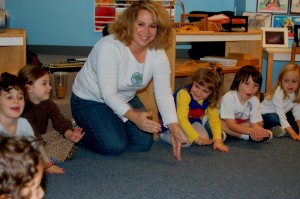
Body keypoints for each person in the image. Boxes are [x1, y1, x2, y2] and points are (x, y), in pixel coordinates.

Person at [70, 0, 185, 161]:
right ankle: (74, 133)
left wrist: (173, 126)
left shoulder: (157, 52)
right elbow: (108, 94)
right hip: (89, 99)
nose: (146, 31)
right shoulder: (110, 47)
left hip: (125, 97)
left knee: (143, 143)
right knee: (113, 146)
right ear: (129, 23)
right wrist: (133, 116)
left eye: (153, 26)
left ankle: (111, 123)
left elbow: (164, 93)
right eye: (140, 24)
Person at [18, 65, 85, 164]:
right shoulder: (22, 108)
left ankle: (44, 159)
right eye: (44, 84)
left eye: (49, 83)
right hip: (26, 142)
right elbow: (32, 136)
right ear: (29, 87)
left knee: (62, 139)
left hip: (41, 139)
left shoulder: (48, 103)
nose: (50, 87)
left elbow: (60, 122)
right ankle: (43, 161)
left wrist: (70, 135)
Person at [0, 72, 63, 174]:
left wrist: (46, 162)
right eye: (9, 97)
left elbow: (35, 144)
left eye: (20, 97)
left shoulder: (23, 123)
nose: (16, 101)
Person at [160, 64, 229, 152]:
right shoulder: (184, 94)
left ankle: (188, 134)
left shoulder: (210, 100)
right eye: (196, 86)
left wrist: (218, 140)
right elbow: (181, 118)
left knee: (204, 137)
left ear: (212, 93)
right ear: (193, 82)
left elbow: (214, 120)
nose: (198, 92)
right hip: (172, 122)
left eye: (205, 91)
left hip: (191, 120)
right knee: (186, 142)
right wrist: (196, 138)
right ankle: (164, 134)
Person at [220, 65, 273, 142]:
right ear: (237, 83)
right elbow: (231, 125)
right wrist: (251, 132)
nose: (251, 89)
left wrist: (257, 130)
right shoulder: (229, 97)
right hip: (227, 122)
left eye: (255, 85)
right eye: (247, 83)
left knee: (260, 123)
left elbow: (254, 125)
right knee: (219, 124)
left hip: (242, 124)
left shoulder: (254, 101)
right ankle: (247, 137)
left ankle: (229, 134)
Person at [261, 63, 300, 141]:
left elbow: (297, 113)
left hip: (280, 114)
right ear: (280, 80)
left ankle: (276, 128)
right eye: (286, 81)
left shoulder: (297, 93)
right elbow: (281, 115)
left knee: (293, 120)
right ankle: (272, 127)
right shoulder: (278, 92)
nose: (290, 84)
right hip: (264, 114)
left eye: (294, 81)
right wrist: (293, 134)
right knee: (274, 118)